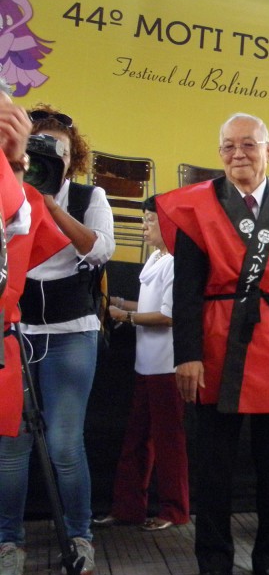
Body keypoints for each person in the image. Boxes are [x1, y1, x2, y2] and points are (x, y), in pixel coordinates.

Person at [157, 113, 269, 575]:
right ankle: (214, 560)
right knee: (213, 462)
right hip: (215, 341)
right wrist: (186, 354)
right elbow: (184, 289)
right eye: (227, 147)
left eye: (249, 145)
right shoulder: (196, 206)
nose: (238, 154)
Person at [0, 104, 114, 575]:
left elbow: (101, 249)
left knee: (66, 443)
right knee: (12, 444)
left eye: (59, 152)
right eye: (39, 148)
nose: (49, 157)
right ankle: (9, 541)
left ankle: (79, 535)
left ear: (74, 158)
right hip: (17, 331)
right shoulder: (8, 193)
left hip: (71, 333)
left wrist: (49, 205)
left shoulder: (89, 196)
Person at [0, 87, 69, 575]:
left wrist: (16, 161)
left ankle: (15, 540)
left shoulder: (22, 193)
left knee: (21, 448)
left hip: (14, 336)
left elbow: (23, 226)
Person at [93, 196, 188, 532]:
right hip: (145, 364)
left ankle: (175, 510)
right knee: (137, 440)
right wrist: (119, 302)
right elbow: (151, 302)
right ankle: (128, 507)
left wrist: (126, 316)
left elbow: (168, 315)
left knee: (168, 443)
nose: (144, 227)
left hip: (166, 366)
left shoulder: (178, 262)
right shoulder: (157, 259)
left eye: (150, 220)